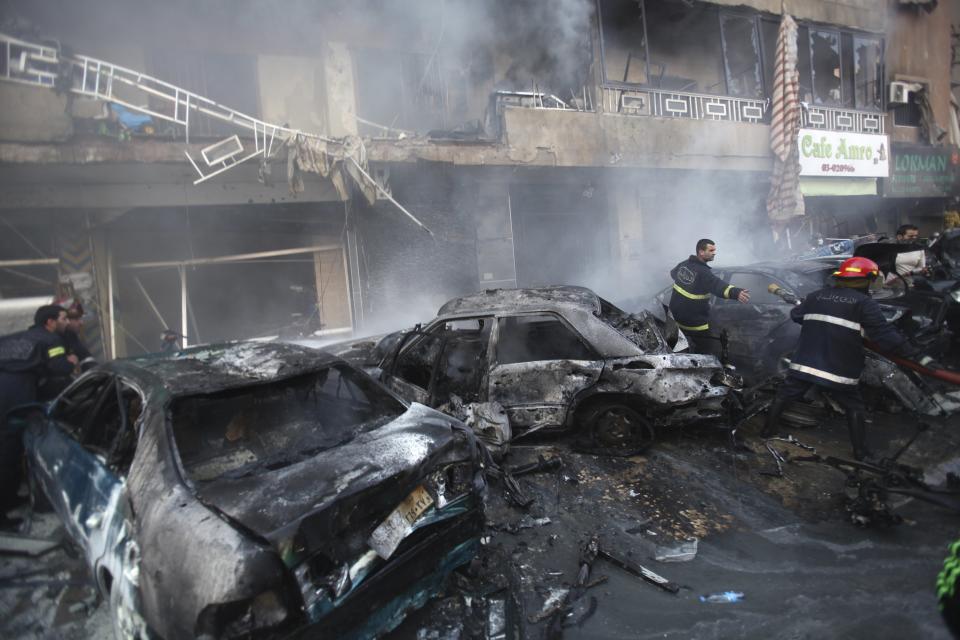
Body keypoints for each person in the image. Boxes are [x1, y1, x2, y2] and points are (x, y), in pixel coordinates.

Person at [762, 257, 932, 460]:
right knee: (854, 407)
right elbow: (885, 336)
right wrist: (912, 353)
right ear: (868, 279)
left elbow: (797, 315)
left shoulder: (816, 296)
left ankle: (767, 431)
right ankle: (860, 453)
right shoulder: (864, 303)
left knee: (785, 394)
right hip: (838, 369)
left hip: (805, 364)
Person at [0, 305, 77, 528]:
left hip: (5, 388)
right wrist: (70, 361)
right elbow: (60, 368)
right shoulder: (52, 341)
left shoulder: (21, 337)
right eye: (63, 318)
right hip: (13, 396)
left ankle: (10, 498)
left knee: (8, 451)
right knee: (9, 453)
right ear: (50, 323)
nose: (66, 322)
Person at [668, 239, 751, 356]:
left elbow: (673, 273)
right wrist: (735, 292)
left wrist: (687, 283)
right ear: (701, 252)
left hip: (676, 319)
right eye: (711, 250)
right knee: (706, 352)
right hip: (694, 323)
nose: (714, 253)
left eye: (714, 250)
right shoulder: (703, 272)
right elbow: (717, 285)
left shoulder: (685, 264)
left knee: (677, 351)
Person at [63, 302, 97, 371]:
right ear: (65, 320)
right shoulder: (60, 341)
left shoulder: (72, 336)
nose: (81, 323)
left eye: (81, 318)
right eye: (76, 319)